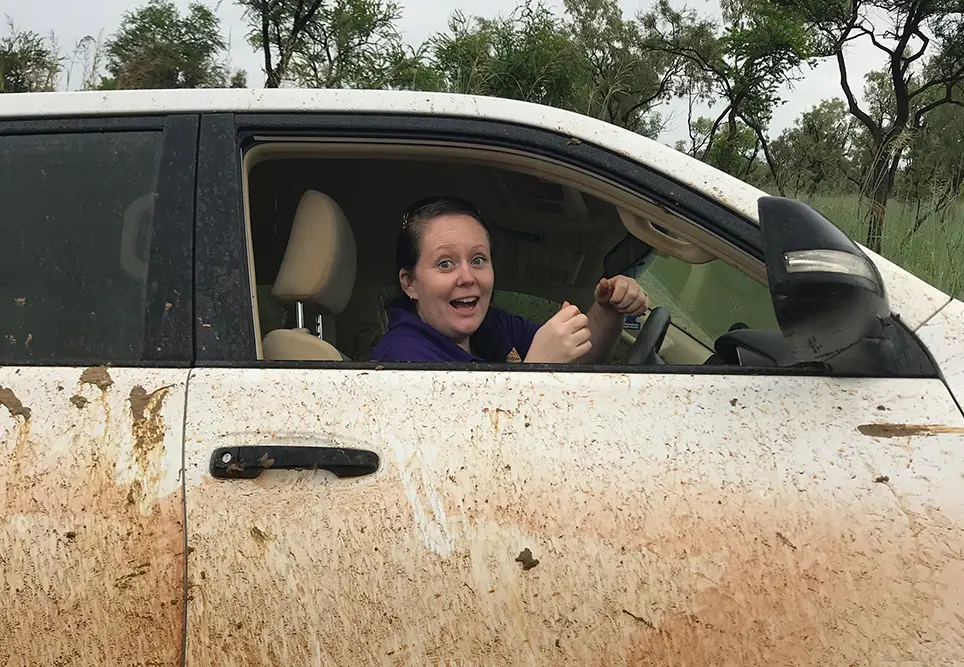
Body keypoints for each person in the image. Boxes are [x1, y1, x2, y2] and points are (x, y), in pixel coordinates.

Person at [368, 194, 650, 364]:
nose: (467, 277)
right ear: (409, 283)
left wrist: (608, 309)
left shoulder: (491, 325)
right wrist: (536, 369)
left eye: (478, 260)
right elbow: (470, 456)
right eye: (445, 263)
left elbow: (580, 358)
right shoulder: (402, 358)